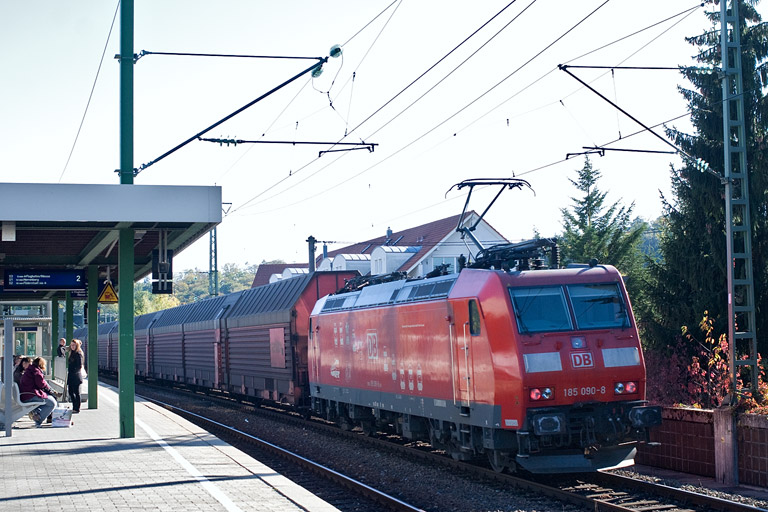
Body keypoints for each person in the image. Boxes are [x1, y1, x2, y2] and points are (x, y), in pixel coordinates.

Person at [19, 357, 57, 427]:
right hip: (30, 395)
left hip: (25, 395)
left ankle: (36, 413)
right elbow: (41, 384)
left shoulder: (30, 370)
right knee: (52, 403)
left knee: (48, 399)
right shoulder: (36, 371)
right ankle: (38, 419)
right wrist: (48, 388)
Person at [67, 339, 85, 413]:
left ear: (77, 345)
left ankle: (77, 408)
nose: (72, 346)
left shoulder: (78, 353)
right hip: (71, 375)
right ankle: (75, 406)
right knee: (71, 392)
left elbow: (79, 365)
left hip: (76, 375)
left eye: (74, 345)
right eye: (71, 345)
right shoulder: (72, 353)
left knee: (76, 392)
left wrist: (74, 371)